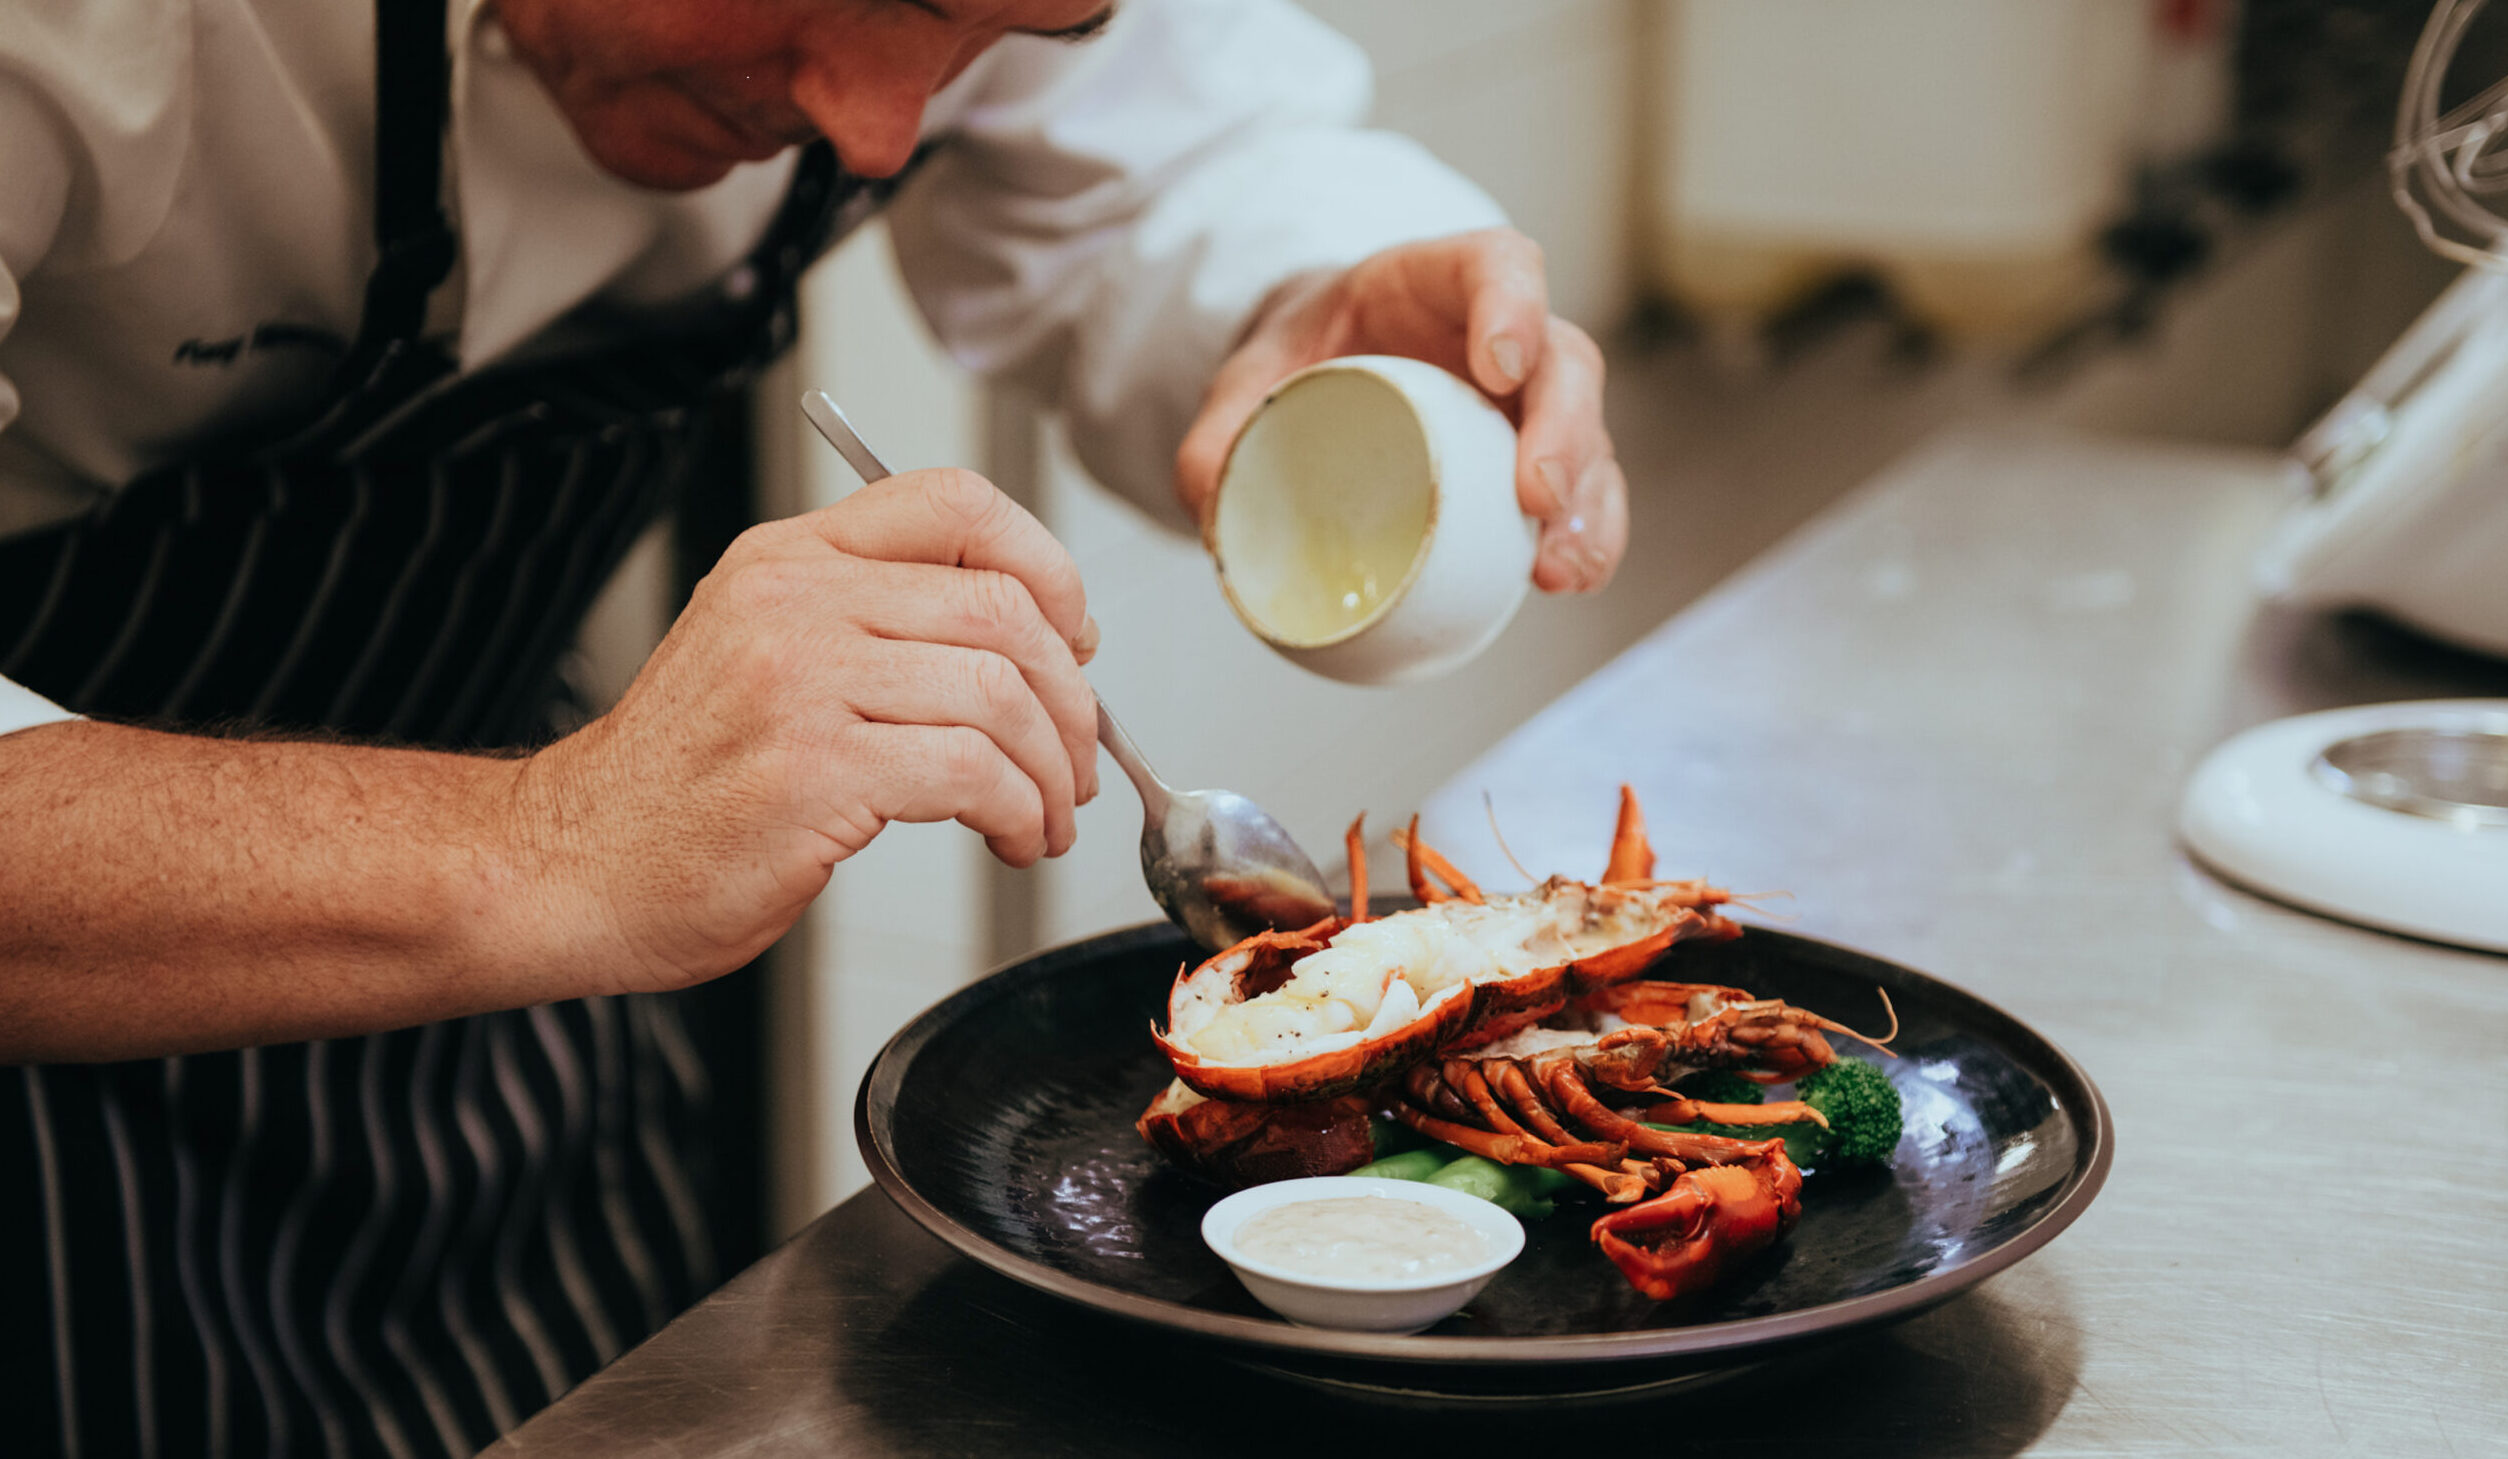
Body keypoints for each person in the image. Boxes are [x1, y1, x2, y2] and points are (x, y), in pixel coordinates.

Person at [0, 0, 1631, 1452]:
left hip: (517, 1042)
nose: (876, 129)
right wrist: (555, 843)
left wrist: (1289, 299)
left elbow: (1164, 160)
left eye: (1003, 34)